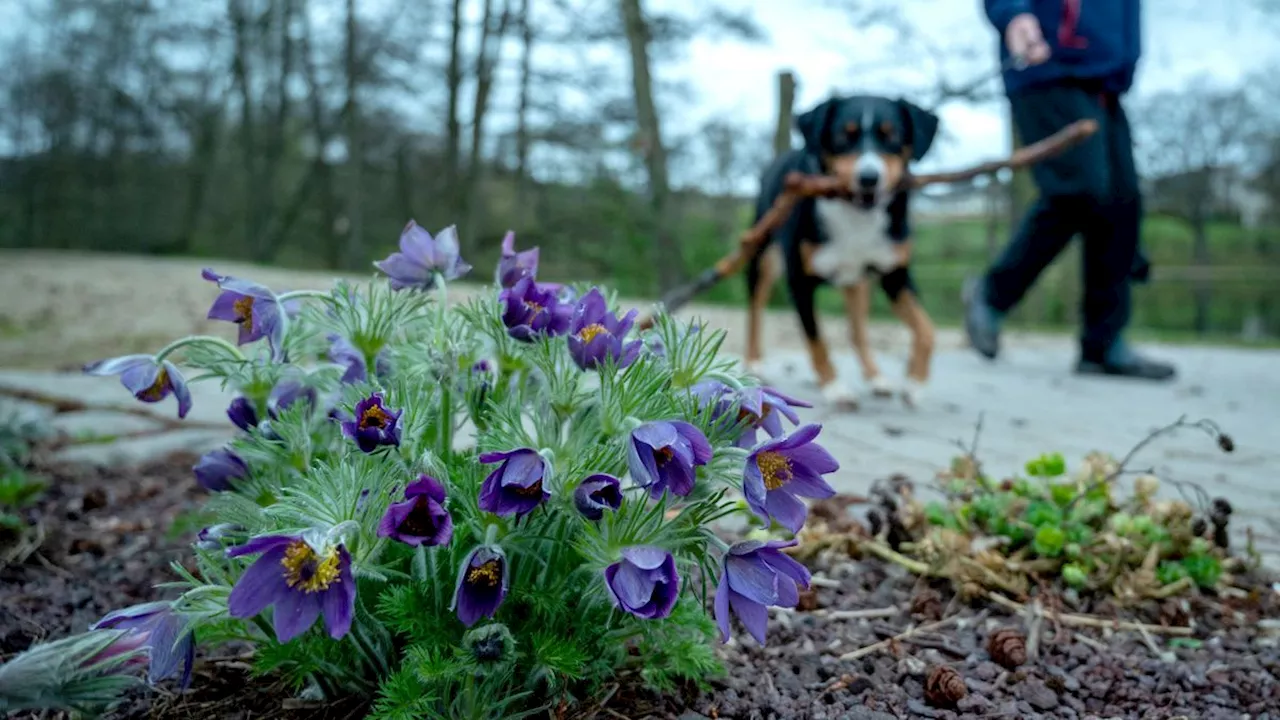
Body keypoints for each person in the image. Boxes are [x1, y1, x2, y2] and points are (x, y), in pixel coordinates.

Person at [965, 0, 1175, 381]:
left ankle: (1103, 344)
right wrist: (1014, 14)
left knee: (1122, 201)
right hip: (1047, 65)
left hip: (1105, 78)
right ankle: (992, 294)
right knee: (1079, 188)